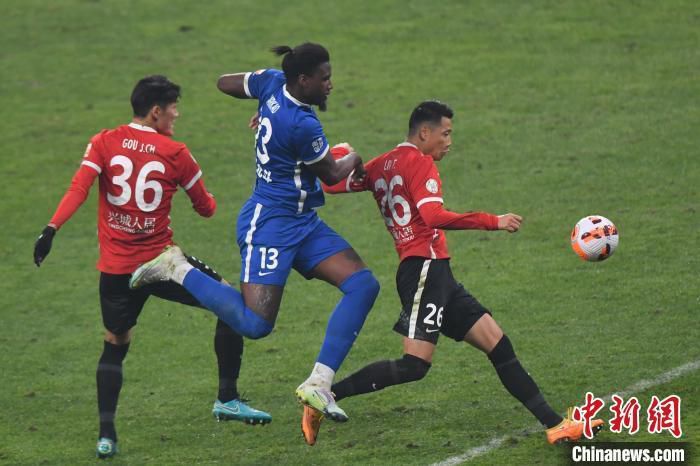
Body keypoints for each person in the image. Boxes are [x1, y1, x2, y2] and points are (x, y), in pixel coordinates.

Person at [302, 100, 604, 446]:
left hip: (436, 273)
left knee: (498, 345)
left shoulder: (382, 163)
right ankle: (324, 397)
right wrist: (493, 221)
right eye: (445, 134)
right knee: (415, 365)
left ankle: (555, 425)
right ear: (425, 132)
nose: (449, 141)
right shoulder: (420, 163)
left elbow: (333, 184)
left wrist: (340, 154)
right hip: (423, 271)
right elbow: (432, 216)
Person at [129, 43, 380, 423]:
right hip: (271, 226)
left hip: (302, 221)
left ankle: (319, 383)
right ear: (303, 79)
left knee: (363, 285)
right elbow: (331, 173)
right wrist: (356, 158)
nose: (330, 84)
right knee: (255, 324)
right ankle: (176, 267)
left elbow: (223, 82)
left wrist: (263, 106)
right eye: (324, 78)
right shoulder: (303, 124)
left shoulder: (271, 82)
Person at [32, 75, 271, 459]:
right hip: (161, 263)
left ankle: (106, 436)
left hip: (116, 270)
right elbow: (207, 209)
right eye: (174, 107)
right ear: (156, 111)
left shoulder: (104, 141)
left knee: (115, 344)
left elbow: (79, 187)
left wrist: (51, 229)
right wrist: (203, 195)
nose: (177, 114)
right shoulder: (175, 153)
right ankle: (227, 398)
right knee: (231, 305)